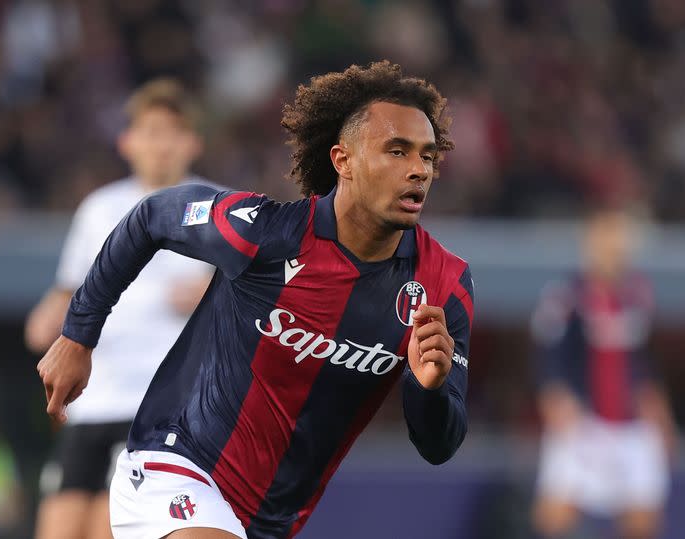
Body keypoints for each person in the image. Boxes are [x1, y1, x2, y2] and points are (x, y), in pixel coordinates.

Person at [37, 61, 474, 539]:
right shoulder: (267, 232)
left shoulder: (443, 285)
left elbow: (439, 444)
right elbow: (150, 218)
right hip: (176, 466)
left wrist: (429, 390)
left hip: (271, 521)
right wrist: (78, 336)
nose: (418, 170)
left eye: (428, 157)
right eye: (397, 151)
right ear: (342, 160)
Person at [26, 78, 214, 539]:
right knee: (57, 528)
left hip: (165, 404)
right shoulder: (99, 208)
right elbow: (68, 289)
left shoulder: (221, 207)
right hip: (94, 398)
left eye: (171, 132)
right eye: (150, 132)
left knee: (108, 529)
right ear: (127, 142)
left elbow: (260, 293)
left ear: (192, 142)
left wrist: (214, 288)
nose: (161, 145)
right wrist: (47, 317)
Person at [530, 207, 677, 539]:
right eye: (606, 242)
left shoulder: (639, 295)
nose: (614, 251)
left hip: (632, 424)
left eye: (620, 244)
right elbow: (548, 353)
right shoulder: (567, 297)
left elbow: (645, 359)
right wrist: (554, 395)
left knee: (643, 518)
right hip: (583, 420)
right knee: (555, 515)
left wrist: (658, 407)